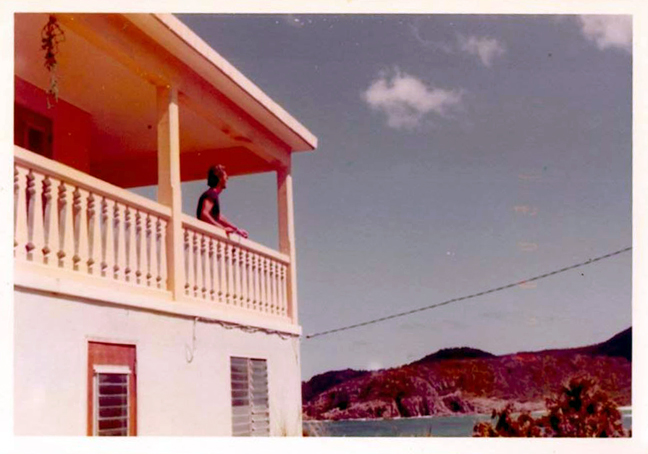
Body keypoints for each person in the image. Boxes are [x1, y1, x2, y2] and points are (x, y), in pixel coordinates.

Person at [196, 165, 248, 238]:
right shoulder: (211, 194)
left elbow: (218, 216)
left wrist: (236, 230)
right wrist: (222, 228)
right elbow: (204, 214)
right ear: (220, 178)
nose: (227, 178)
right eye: (225, 177)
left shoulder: (213, 194)